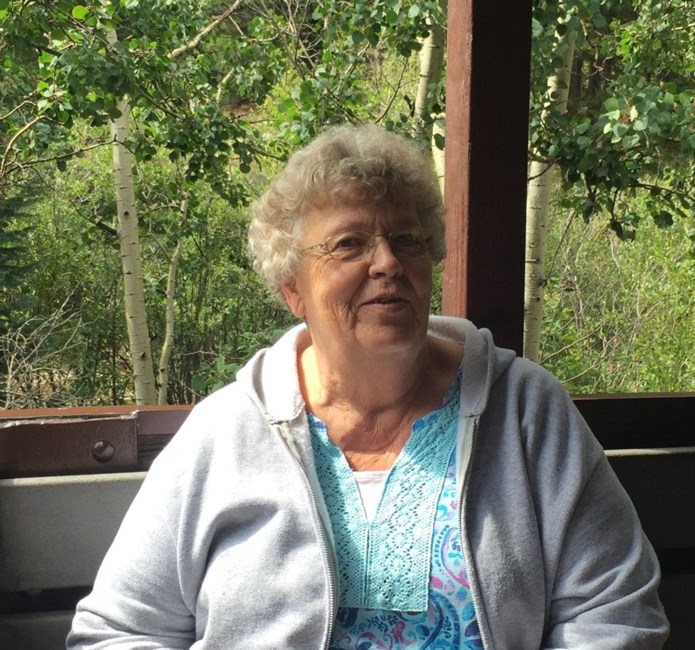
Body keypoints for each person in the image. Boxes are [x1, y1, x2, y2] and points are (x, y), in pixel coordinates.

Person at [67, 124, 668, 649]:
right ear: (293, 289)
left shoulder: (525, 410)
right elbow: (120, 628)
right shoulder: (226, 432)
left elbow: (613, 612)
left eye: (406, 240)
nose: (387, 263)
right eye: (349, 244)